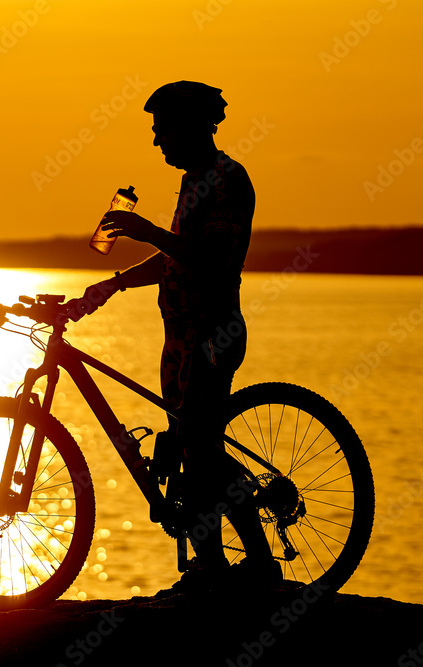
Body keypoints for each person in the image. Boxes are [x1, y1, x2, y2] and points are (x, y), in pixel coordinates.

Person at [67, 81, 281, 592]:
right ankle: (213, 568)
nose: (158, 142)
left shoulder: (228, 180)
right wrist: (114, 284)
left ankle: (256, 564)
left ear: (191, 127)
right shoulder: (193, 181)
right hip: (179, 338)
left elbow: (213, 258)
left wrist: (145, 230)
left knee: (200, 449)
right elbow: (176, 256)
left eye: (163, 131)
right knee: (193, 451)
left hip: (214, 332)